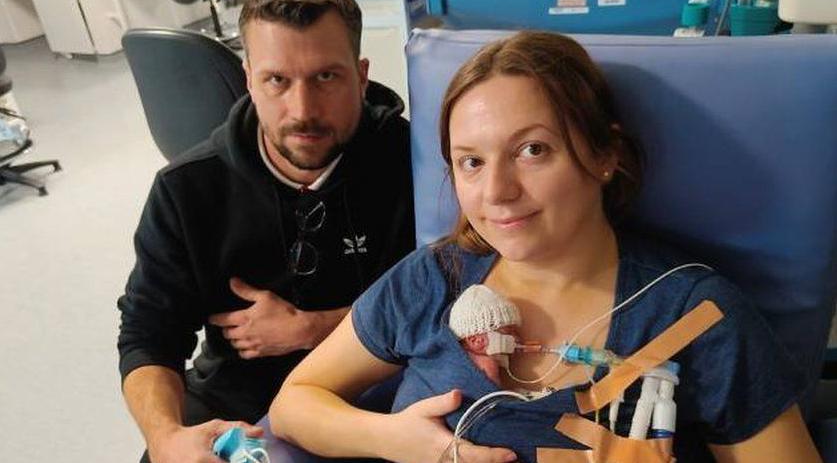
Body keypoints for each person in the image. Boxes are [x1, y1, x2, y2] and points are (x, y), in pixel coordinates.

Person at [269, 31, 822, 463]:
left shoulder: (695, 317)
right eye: (472, 162)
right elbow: (295, 404)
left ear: (605, 155)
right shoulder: (435, 278)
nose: (497, 193)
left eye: (533, 150)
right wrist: (395, 439)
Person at [117, 0, 414, 461]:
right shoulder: (187, 187)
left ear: (360, 76)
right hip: (237, 401)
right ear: (248, 81)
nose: (302, 110)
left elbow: (455, 306)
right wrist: (165, 436)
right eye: (277, 79)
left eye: (326, 77)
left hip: (379, 393)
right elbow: (147, 332)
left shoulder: (418, 166)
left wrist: (317, 329)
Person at [449, 284, 521, 386]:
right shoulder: (487, 366)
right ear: (476, 341)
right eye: (509, 332)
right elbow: (497, 401)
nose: (517, 338)